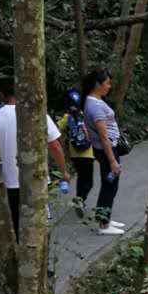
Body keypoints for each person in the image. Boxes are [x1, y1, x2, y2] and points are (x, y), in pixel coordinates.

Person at [0, 77, 72, 239]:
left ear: (2, 94)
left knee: (16, 228)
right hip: (36, 179)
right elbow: (55, 145)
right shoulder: (35, 112)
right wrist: (64, 172)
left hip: (8, 183)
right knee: (39, 228)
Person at [83, 69, 126, 235]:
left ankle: (105, 218)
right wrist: (113, 161)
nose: (109, 86)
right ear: (97, 84)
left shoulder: (93, 102)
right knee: (110, 186)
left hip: (104, 149)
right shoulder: (95, 106)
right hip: (107, 149)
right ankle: (103, 224)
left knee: (110, 184)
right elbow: (103, 136)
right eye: (107, 83)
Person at [57, 89, 96, 219]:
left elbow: (57, 130)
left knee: (81, 177)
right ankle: (80, 200)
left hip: (74, 153)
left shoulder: (67, 117)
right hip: (87, 152)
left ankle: (80, 200)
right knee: (89, 181)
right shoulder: (85, 115)